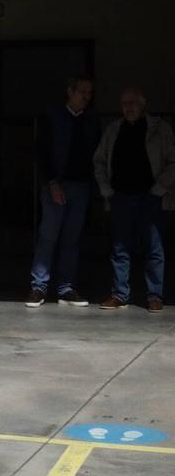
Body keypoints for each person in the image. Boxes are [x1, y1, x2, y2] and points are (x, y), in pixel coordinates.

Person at [93, 87, 175, 313]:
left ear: (143, 104)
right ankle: (120, 294)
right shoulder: (113, 130)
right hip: (120, 197)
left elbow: (172, 162)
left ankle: (155, 296)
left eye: (133, 103)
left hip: (151, 198)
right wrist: (106, 190)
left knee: (154, 248)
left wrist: (159, 189)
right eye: (124, 103)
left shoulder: (160, 129)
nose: (129, 107)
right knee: (120, 248)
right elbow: (99, 161)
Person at [27, 76, 99, 308]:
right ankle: (38, 287)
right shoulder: (53, 116)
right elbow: (42, 152)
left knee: (72, 238)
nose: (86, 97)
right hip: (55, 184)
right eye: (82, 92)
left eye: (89, 93)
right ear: (70, 91)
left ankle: (66, 288)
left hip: (81, 185)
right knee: (49, 236)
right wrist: (52, 182)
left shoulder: (91, 119)